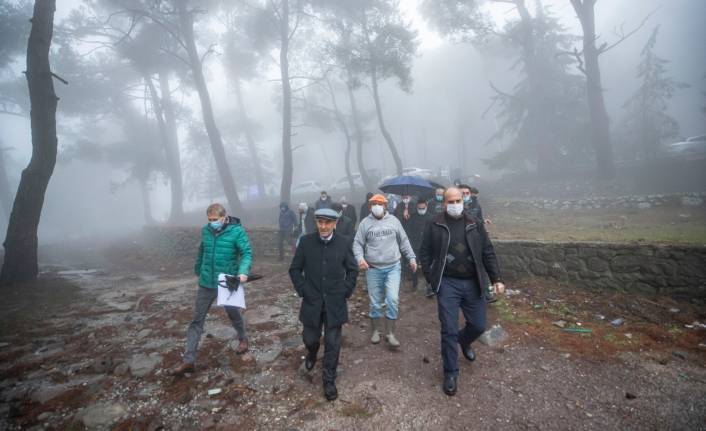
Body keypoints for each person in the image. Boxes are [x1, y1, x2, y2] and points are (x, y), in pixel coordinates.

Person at [419, 187, 505, 396]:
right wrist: (432, 278)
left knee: (478, 325)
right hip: (448, 283)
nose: (456, 204)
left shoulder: (474, 223)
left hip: (473, 282)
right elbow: (425, 253)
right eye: (451, 201)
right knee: (448, 329)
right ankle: (450, 372)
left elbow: (487, 251)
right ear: (444, 203)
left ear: (463, 201)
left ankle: (464, 340)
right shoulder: (435, 223)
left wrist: (497, 279)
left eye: (459, 200)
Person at [170, 203, 253, 376]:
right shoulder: (206, 231)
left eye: (215, 220)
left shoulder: (236, 231)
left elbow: (246, 253)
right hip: (206, 282)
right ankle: (189, 361)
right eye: (209, 220)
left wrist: (243, 272)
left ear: (224, 217)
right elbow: (202, 251)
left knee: (233, 314)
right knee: (196, 320)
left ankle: (243, 338)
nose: (212, 223)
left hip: (227, 282)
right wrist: (199, 269)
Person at [289, 208, 358, 401]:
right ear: (316, 223)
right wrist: (303, 289)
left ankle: (329, 380)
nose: (324, 226)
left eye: (328, 222)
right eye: (320, 222)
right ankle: (311, 352)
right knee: (310, 338)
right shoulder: (306, 242)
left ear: (335, 223)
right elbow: (294, 269)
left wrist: (346, 290)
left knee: (333, 343)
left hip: (335, 301)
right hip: (312, 300)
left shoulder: (344, 243)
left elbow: (352, 270)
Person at [353, 194, 417, 349]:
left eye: (380, 203)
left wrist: (412, 258)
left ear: (385, 206)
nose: (377, 206)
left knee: (392, 299)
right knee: (375, 302)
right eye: (374, 204)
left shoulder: (394, 221)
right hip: (373, 268)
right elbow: (357, 243)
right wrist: (360, 259)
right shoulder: (365, 223)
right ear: (370, 206)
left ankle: (390, 333)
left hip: (393, 267)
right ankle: (375, 330)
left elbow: (404, 240)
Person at [406, 199, 433, 296]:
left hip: (427, 246)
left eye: (423, 208)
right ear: (416, 207)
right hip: (415, 245)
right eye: (419, 208)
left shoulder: (431, 217)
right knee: (414, 265)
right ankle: (414, 283)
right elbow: (408, 231)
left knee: (428, 266)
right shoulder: (412, 217)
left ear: (426, 206)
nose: (421, 209)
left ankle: (430, 285)